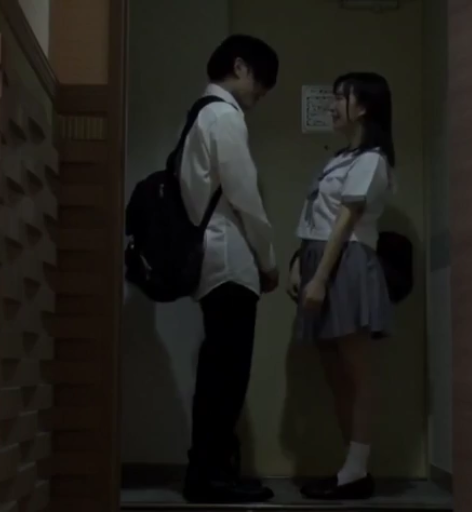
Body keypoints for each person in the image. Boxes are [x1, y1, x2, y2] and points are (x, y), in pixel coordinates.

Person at [178, 35, 279, 504]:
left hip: (211, 262)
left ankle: (209, 470)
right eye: (263, 81)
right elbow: (246, 198)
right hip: (230, 263)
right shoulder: (223, 116)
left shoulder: (200, 114)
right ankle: (211, 475)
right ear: (240, 67)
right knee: (227, 377)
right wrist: (269, 261)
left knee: (217, 373)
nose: (262, 93)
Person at [287, 72, 396, 500]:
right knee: (334, 372)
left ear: (363, 107)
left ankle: (356, 470)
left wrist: (319, 278)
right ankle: (350, 468)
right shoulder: (340, 157)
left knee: (357, 372)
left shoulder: (372, 160)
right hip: (322, 260)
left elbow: (346, 222)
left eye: (339, 98)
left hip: (346, 262)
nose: (331, 106)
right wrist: (299, 263)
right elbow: (317, 218)